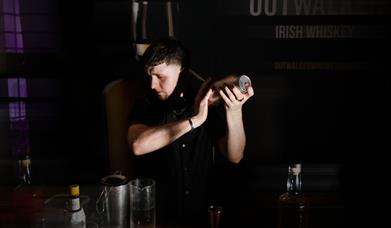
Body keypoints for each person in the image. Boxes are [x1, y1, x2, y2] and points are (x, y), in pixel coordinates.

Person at [127, 37, 254, 226]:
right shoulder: (146, 103)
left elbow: (234, 155)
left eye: (160, 77)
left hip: (200, 218)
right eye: (150, 76)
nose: (153, 85)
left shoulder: (201, 101)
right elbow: (137, 145)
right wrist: (194, 120)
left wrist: (234, 111)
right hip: (157, 219)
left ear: (183, 74)